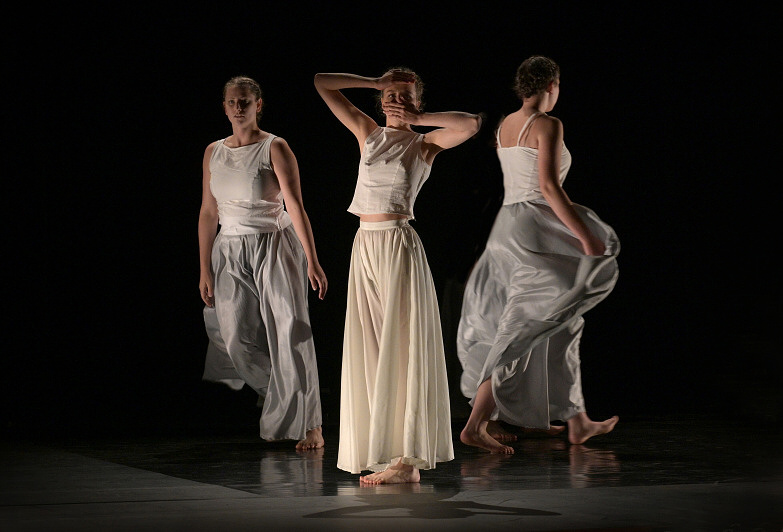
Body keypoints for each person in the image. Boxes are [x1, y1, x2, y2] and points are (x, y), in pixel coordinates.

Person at [314, 68, 481, 483]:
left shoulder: (423, 144)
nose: (395, 100)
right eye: (389, 95)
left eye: (405, 95)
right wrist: (375, 84)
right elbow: (321, 82)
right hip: (364, 246)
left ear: (417, 101)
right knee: (371, 349)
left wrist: (418, 117)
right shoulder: (367, 133)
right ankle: (385, 451)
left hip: (398, 246)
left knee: (402, 347)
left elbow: (471, 124)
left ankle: (407, 461)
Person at [456, 56, 620, 454]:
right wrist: (585, 236)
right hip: (534, 229)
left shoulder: (505, 125)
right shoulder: (548, 123)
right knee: (524, 322)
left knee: (565, 318)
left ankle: (577, 419)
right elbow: (547, 187)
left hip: (509, 225)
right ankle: (476, 423)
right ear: (551, 85)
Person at [198, 76, 327, 451]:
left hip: (274, 243)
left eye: (245, 101)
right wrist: (204, 268)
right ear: (224, 107)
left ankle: (311, 423)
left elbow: (295, 205)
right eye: (232, 101)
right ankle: (286, 400)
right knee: (236, 339)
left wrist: (313, 260)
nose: (238, 107)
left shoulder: (275, 146)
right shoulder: (213, 152)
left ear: (258, 105)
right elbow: (208, 212)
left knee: (290, 332)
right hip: (229, 247)